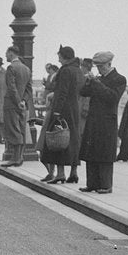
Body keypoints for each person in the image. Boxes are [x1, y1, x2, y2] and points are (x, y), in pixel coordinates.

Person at [78, 51, 127, 193]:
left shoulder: (119, 79)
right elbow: (83, 92)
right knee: (91, 151)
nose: (99, 69)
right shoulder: (98, 78)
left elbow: (112, 97)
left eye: (101, 66)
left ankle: (106, 185)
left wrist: (96, 83)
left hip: (106, 121)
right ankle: (92, 183)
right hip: (93, 119)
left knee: (104, 153)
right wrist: (88, 82)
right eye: (97, 66)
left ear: (109, 64)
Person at [40, 45, 84, 184]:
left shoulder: (65, 71)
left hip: (63, 109)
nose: (58, 58)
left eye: (59, 56)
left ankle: (60, 174)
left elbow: (61, 92)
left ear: (65, 56)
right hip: (74, 108)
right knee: (73, 140)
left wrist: (57, 111)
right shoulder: (78, 70)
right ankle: (74, 172)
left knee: (59, 139)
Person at [1, 46, 33, 167]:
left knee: (13, 129)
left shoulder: (11, 68)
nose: (6, 56)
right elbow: (29, 88)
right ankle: (19, 157)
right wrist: (24, 101)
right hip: (22, 105)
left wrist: (18, 101)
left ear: (11, 53)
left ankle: (15, 158)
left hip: (12, 104)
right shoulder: (26, 69)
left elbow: (12, 87)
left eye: (6, 53)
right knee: (21, 128)